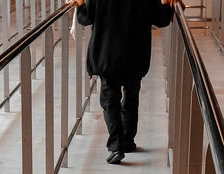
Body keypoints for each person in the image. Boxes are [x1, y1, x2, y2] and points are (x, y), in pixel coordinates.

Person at [73, 0, 177, 164]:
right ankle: (128, 141)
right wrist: (167, 4)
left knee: (109, 99)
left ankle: (116, 145)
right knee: (131, 96)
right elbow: (161, 19)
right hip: (135, 54)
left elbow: (86, 18)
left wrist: (79, 5)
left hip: (107, 54)